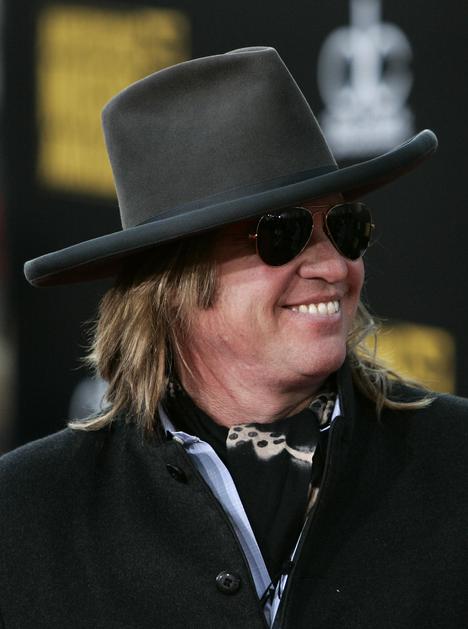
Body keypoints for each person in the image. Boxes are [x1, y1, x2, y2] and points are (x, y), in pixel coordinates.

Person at [0, 46, 466, 629]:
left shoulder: (456, 463)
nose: (333, 266)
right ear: (171, 282)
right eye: (282, 234)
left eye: (345, 227)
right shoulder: (25, 518)